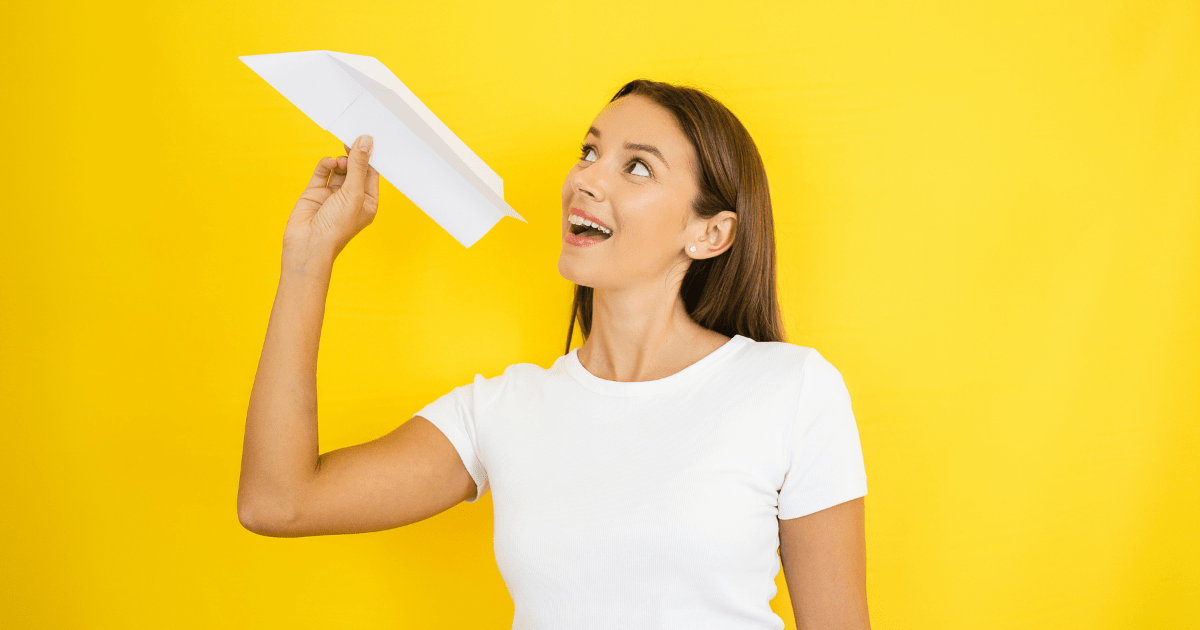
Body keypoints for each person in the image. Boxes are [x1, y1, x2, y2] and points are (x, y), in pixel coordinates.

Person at [238, 79, 871, 630]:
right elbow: (278, 502)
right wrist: (307, 257)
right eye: (590, 153)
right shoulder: (502, 410)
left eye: (638, 167)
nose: (586, 179)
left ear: (710, 234)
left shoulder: (791, 390)